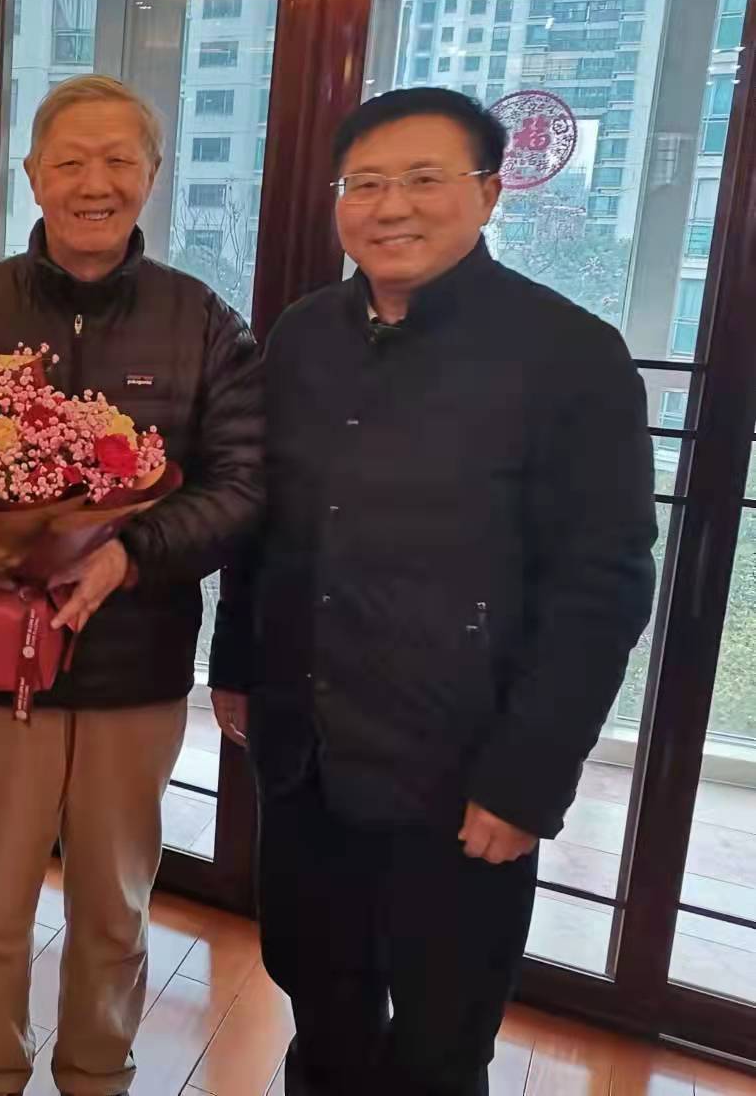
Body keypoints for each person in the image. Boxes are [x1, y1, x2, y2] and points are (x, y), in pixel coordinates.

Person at [209, 87, 657, 1096]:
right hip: (306, 754)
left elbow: (602, 585)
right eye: (365, 183)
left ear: (489, 192)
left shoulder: (569, 355)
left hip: (461, 771)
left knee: (439, 1042)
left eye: (423, 179)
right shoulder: (302, 335)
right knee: (320, 1007)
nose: (391, 206)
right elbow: (264, 523)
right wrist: (234, 665)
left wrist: (527, 778)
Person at [0, 74, 263, 1096]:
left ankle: (98, 1073)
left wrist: (128, 552)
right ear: (32, 173)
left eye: (118, 160)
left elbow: (242, 484)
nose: (93, 183)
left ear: (152, 175)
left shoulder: (203, 322)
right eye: (69, 160)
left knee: (114, 904)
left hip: (132, 669)